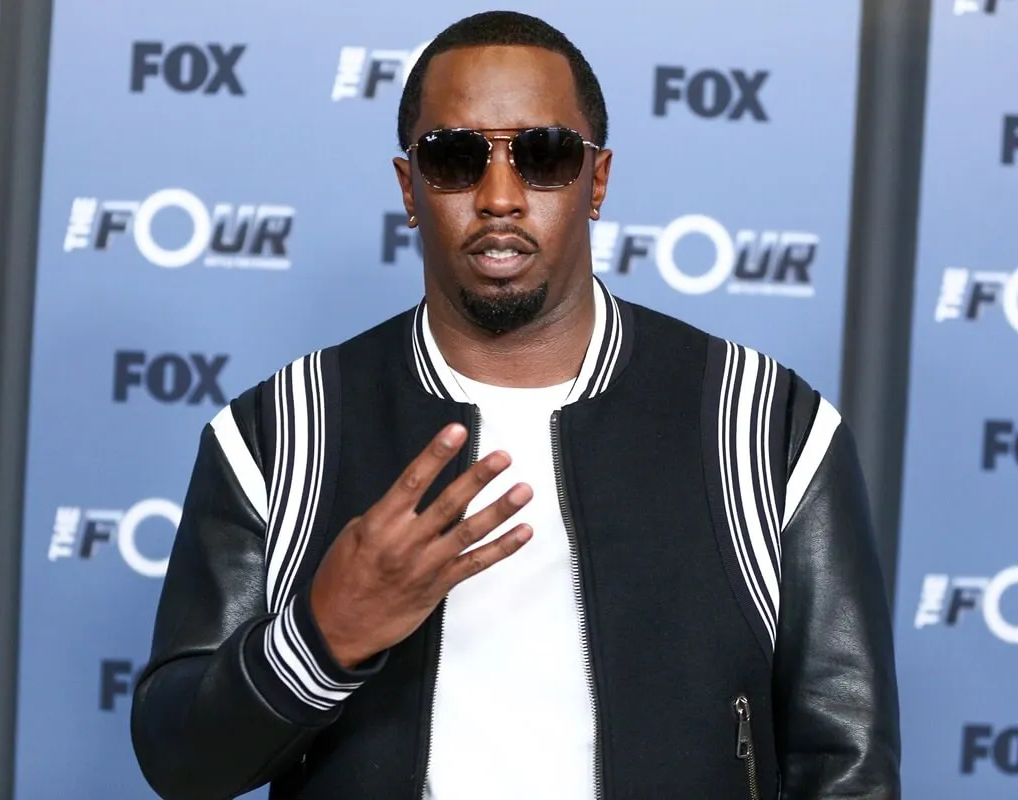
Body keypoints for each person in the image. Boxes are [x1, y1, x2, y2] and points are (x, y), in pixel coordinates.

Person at [130, 10, 901, 800]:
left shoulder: (762, 423)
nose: (500, 197)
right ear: (409, 187)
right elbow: (182, 762)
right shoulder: (282, 431)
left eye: (544, 156)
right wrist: (320, 638)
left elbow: (846, 764)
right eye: (455, 158)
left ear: (596, 180)